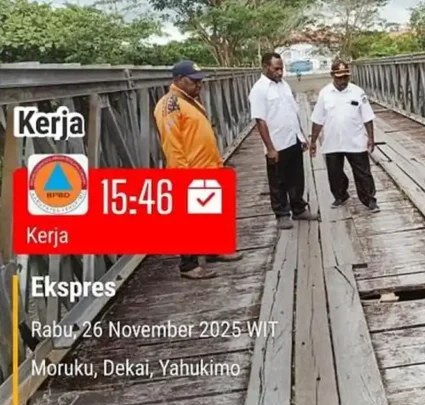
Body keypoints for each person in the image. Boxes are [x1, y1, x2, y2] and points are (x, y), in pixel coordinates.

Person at [153, 59, 243, 279]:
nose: (198, 85)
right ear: (178, 80)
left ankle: (213, 251)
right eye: (193, 81)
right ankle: (188, 265)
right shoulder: (170, 105)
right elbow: (173, 146)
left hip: (207, 167)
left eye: (199, 81)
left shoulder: (189, 99)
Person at [249, 52, 318, 229]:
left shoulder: (284, 85)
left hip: (292, 138)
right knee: (278, 180)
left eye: (282, 69)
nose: (280, 73)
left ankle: (298, 209)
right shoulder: (259, 89)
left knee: (296, 176)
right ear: (265, 67)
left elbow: (292, 113)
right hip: (276, 142)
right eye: (276, 69)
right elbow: (260, 120)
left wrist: (302, 137)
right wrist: (270, 148)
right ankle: (281, 214)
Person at [309, 59, 379, 212]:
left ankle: (370, 200)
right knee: (334, 173)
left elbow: (367, 117)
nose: (342, 80)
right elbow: (317, 119)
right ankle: (340, 195)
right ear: (332, 75)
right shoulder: (324, 94)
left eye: (345, 77)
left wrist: (371, 138)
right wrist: (313, 141)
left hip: (355, 139)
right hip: (332, 140)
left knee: (363, 173)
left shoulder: (357, 92)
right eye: (339, 77)